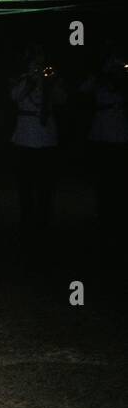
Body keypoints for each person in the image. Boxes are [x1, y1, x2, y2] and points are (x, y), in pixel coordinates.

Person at [10, 44, 66, 243]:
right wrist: (30, 82)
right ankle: (26, 220)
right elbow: (14, 97)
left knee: (45, 183)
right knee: (25, 183)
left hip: (46, 137)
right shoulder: (23, 80)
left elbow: (62, 100)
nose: (38, 67)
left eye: (40, 63)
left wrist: (51, 83)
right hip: (25, 137)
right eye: (35, 63)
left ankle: (44, 220)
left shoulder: (50, 79)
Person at [80, 42, 127, 258]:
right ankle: (104, 215)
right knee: (104, 177)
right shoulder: (100, 76)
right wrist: (103, 75)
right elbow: (85, 89)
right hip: (102, 131)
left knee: (118, 176)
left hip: (119, 130)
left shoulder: (122, 73)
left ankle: (117, 216)